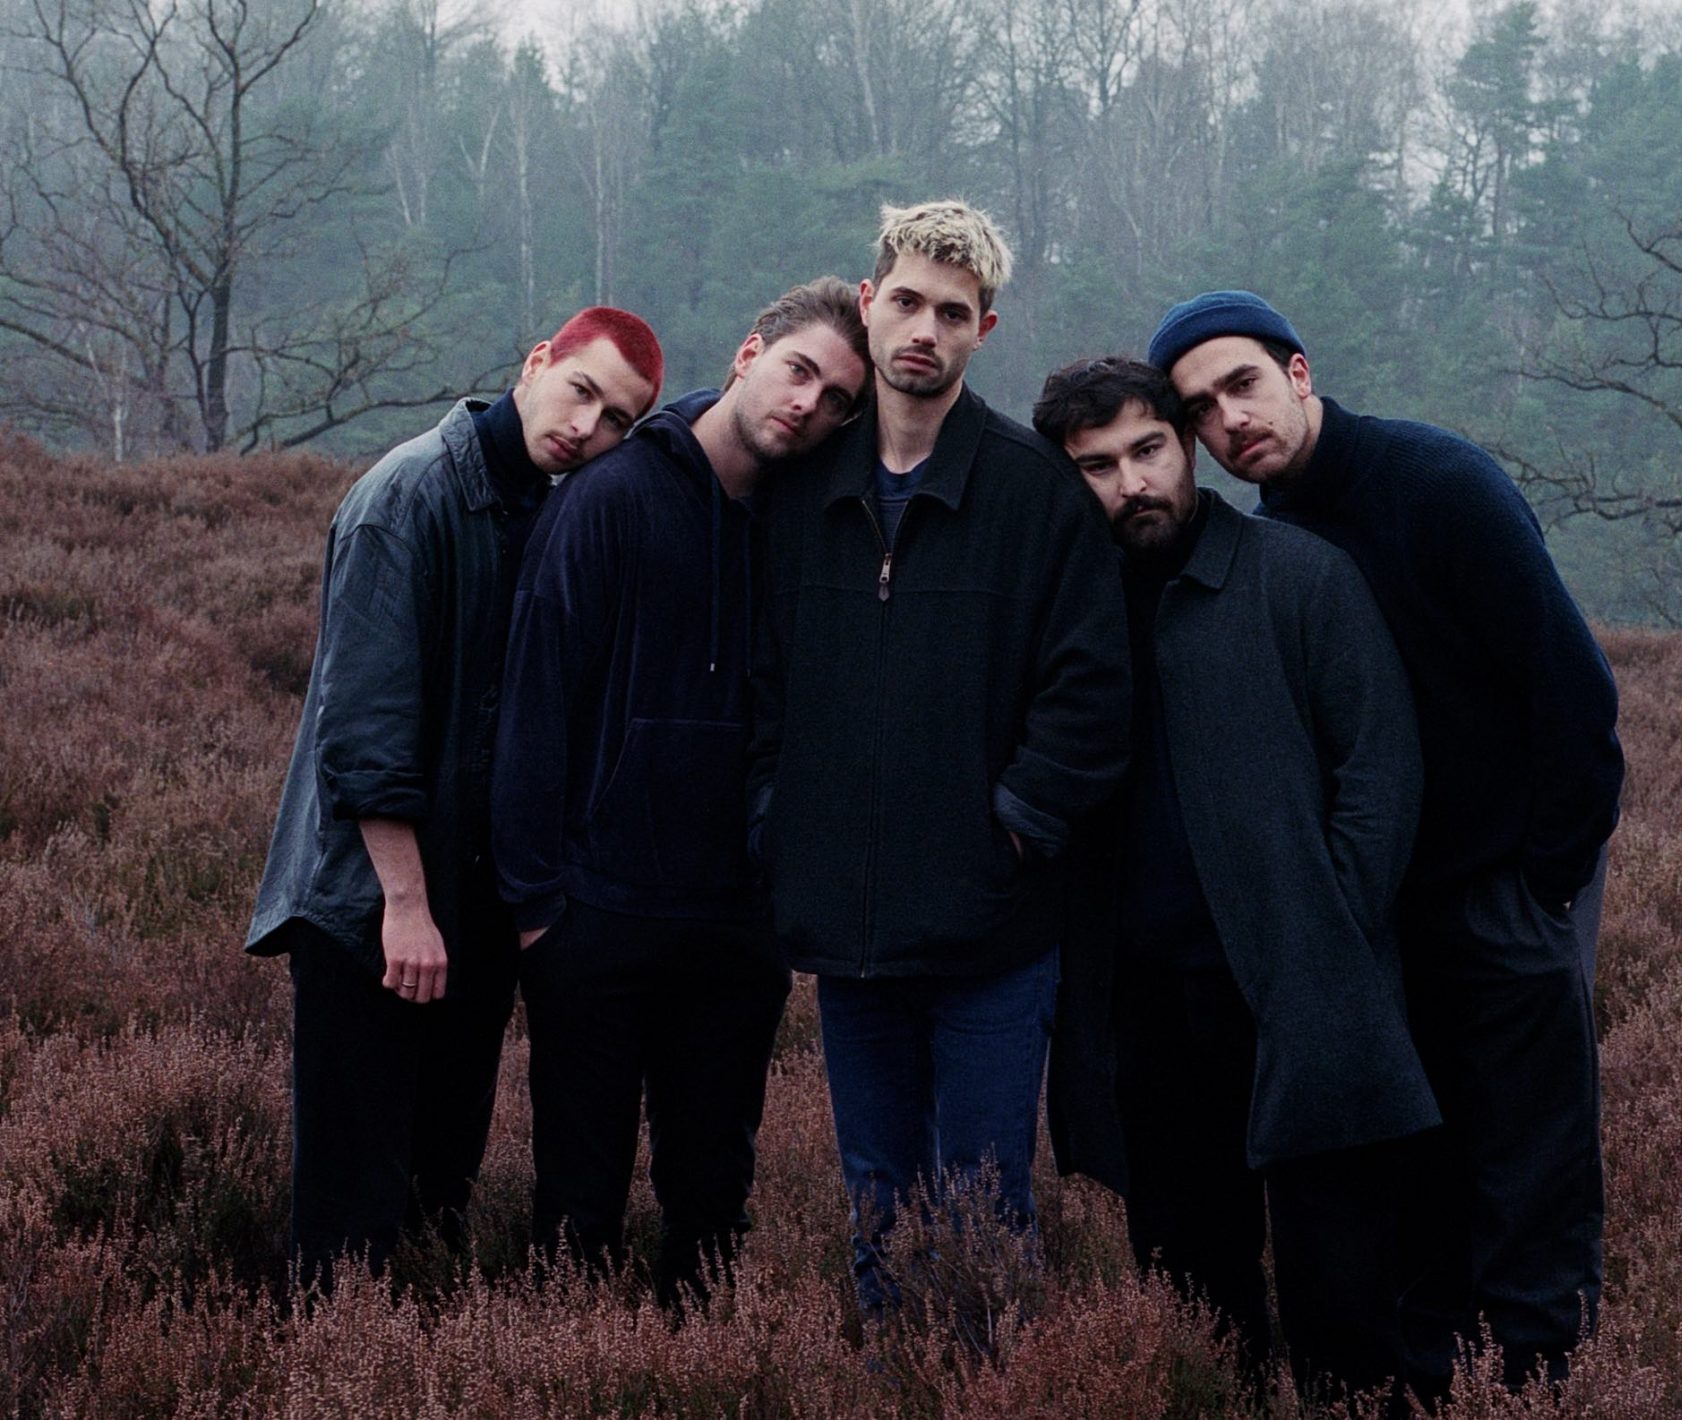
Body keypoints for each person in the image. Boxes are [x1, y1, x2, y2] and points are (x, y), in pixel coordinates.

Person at [1147, 291, 1625, 1395]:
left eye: (1242, 385)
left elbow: (1574, 692)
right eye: (1200, 409)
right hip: (1382, 918)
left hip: (1502, 896)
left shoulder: (1438, 483)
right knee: (1425, 1199)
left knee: (1534, 1192)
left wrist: (1544, 886)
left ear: (1298, 372)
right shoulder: (1274, 539)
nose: (1229, 420)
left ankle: (1544, 1396)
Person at [746, 201, 1130, 1315]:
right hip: (848, 931)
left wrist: (1012, 829)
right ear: (869, 304)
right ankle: (892, 1378)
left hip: (991, 932)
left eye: (952, 313)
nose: (924, 329)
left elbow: (1092, 692)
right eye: (907, 302)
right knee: (877, 1198)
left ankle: (991, 1383)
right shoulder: (801, 488)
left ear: (984, 330)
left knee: (984, 1206)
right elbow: (759, 676)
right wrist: (777, 818)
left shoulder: (1033, 493)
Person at [1034, 356, 1435, 1402]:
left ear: (1188, 446)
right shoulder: (1069, 610)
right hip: (1147, 1016)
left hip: (1305, 1000)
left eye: (1149, 450)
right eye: (1097, 466)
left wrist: (1323, 926)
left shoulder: (1300, 577)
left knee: (1347, 1319)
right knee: (1199, 1320)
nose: (1133, 483)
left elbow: (1381, 771)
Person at [246, 306, 663, 1286]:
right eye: (582, 392)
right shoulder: (409, 495)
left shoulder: (543, 507)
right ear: (537, 362)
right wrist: (404, 905)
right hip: (371, 910)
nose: (587, 427)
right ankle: (324, 1356)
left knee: (435, 1199)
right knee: (350, 1214)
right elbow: (364, 727)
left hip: (470, 907)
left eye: (616, 420)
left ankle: (414, 1356)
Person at [492, 279, 871, 1306]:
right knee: (578, 1205)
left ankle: (698, 1371)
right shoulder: (609, 497)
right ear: (750, 353)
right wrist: (537, 909)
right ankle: (560, 1369)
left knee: (711, 1206)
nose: (809, 404)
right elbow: (536, 702)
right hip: (594, 916)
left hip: (735, 926)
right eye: (799, 371)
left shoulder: (804, 523)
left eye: (838, 399)